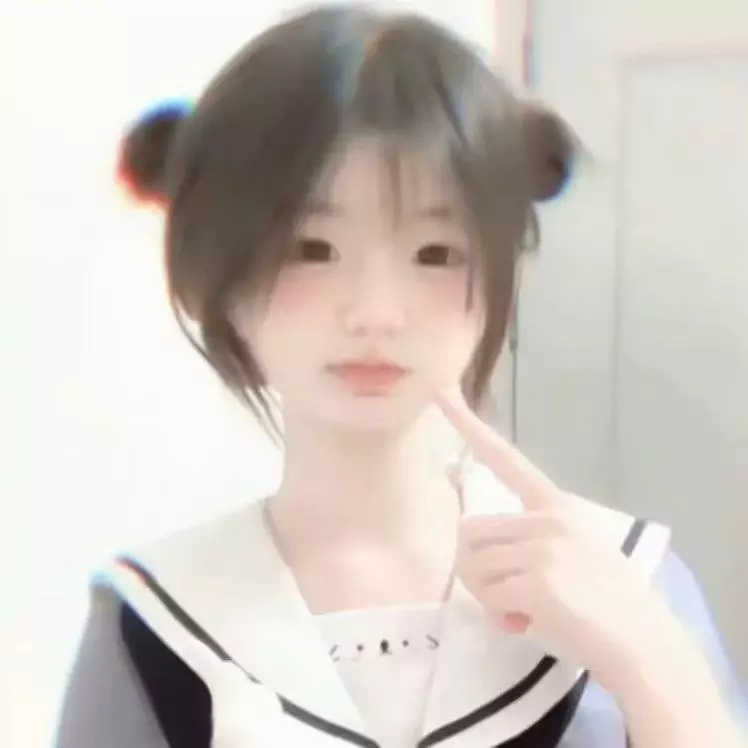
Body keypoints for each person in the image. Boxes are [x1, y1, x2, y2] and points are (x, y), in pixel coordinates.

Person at [55, 5, 746, 748]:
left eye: (435, 253)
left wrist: (653, 661)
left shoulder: (624, 576)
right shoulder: (155, 620)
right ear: (214, 277)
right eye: (312, 249)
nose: (376, 313)